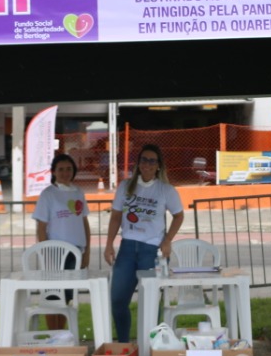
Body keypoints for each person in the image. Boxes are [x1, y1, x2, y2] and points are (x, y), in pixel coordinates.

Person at [103, 144, 185, 342]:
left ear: (158, 166)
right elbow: (115, 217)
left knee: (150, 303)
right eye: (144, 160)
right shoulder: (125, 186)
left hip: (151, 251)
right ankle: (124, 344)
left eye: (152, 161)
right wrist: (108, 244)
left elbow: (179, 216)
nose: (147, 164)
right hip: (127, 249)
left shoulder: (166, 190)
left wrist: (167, 240)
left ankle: (151, 346)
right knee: (118, 300)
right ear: (138, 163)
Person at [32, 153, 91, 331]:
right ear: (53, 172)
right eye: (61, 169)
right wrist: (47, 253)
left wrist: (87, 251)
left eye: (68, 169)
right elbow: (41, 227)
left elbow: (84, 222)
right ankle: (53, 335)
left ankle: (61, 334)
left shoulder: (78, 192)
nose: (65, 173)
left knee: (67, 296)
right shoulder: (48, 194)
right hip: (55, 254)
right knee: (52, 296)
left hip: (76, 252)